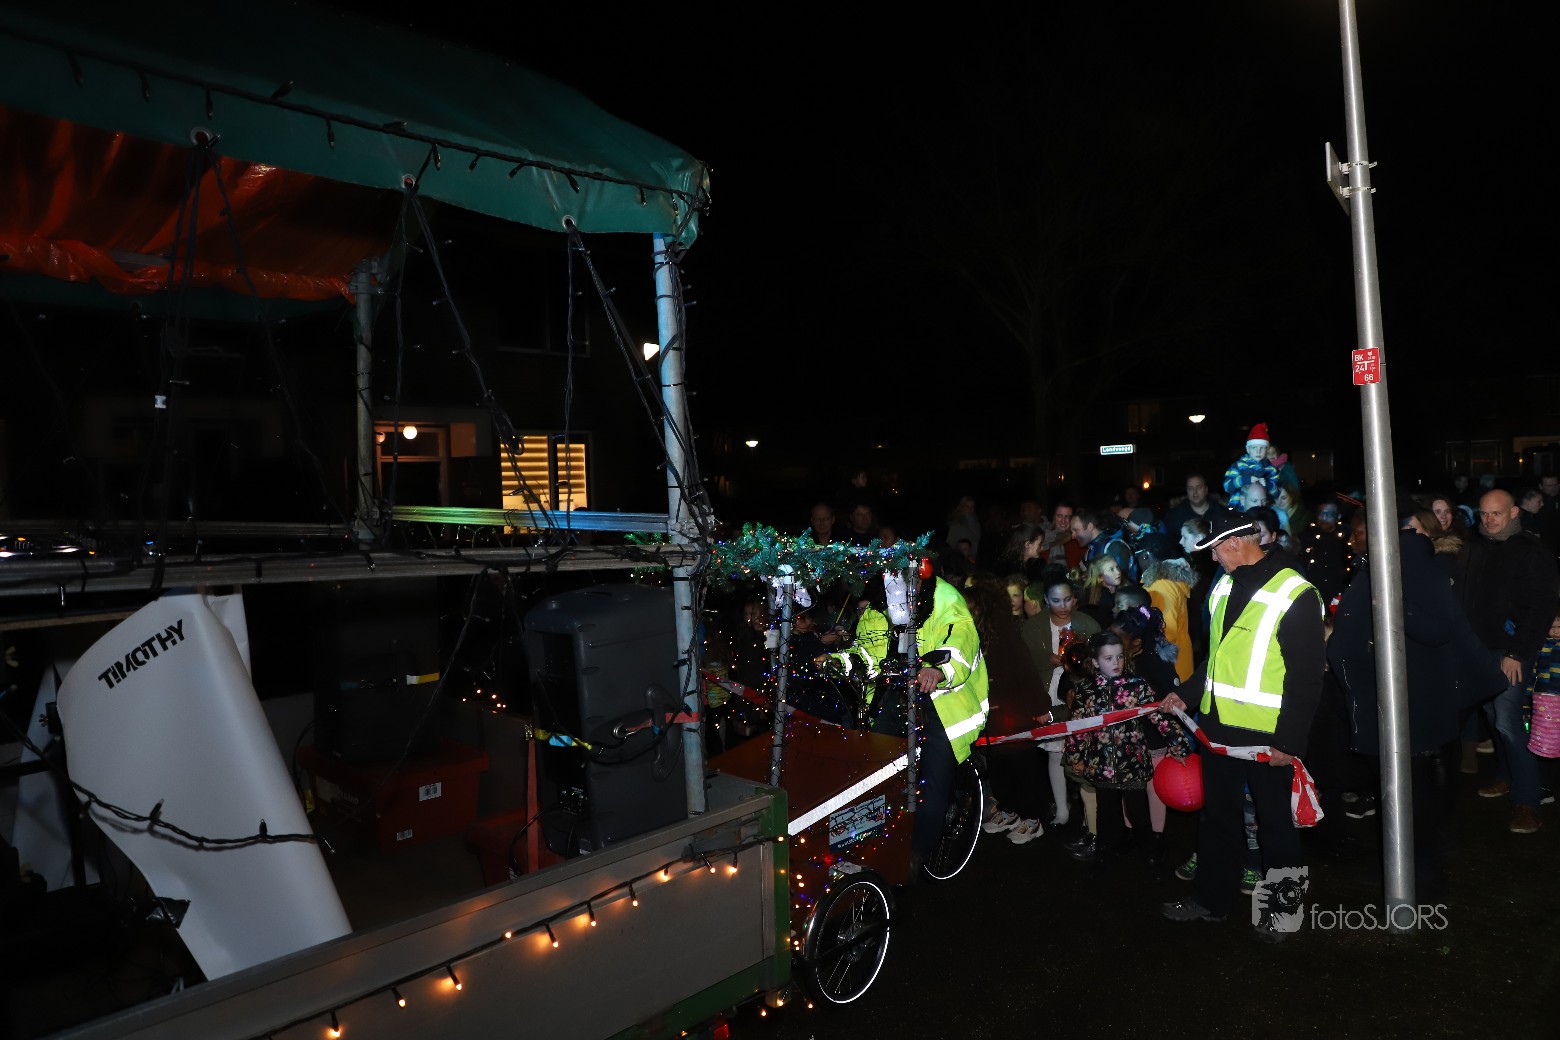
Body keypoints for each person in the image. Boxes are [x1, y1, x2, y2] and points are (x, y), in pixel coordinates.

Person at [1327, 503, 1508, 900]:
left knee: (1413, 791)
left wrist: (1391, 604)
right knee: (1397, 790)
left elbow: (1439, 629)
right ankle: (1400, 863)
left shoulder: (1414, 567)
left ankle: (1419, 871)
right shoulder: (1379, 566)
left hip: (1409, 702)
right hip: (1383, 698)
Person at [1161, 509, 1326, 943]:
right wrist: (1188, 694)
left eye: (1215, 549)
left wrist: (1290, 741)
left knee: (1276, 826)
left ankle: (1283, 914)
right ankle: (1210, 900)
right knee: (1217, 819)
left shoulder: (1294, 591)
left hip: (1267, 736)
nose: (1213, 558)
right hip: (1216, 727)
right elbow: (1216, 656)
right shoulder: (1223, 586)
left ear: (1235, 543)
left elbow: (1307, 677)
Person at [828, 570, 989, 867]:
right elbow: (868, 649)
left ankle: (917, 852)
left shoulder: (944, 597)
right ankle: (864, 841)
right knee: (872, 765)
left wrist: (937, 669)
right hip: (897, 691)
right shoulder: (880, 603)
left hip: (945, 698)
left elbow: (961, 639)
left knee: (934, 772)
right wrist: (840, 661)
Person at [1453, 488, 1559, 834]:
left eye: (1496, 513)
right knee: (1492, 715)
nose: (1489, 520)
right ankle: (1505, 774)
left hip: (1510, 650)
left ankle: (1527, 800)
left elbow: (1540, 607)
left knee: (1508, 721)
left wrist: (1516, 653)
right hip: (1479, 651)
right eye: (1484, 513)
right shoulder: (1475, 547)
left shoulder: (1531, 551)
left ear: (1514, 512)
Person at [1062, 631, 1187, 876]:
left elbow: (1158, 716)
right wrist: (1076, 757)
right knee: (1106, 814)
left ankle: (1151, 857)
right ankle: (1104, 857)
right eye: (1108, 658)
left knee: (1139, 813)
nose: (1116, 663)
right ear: (1095, 661)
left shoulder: (1137, 686)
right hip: (1100, 763)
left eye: (1119, 656)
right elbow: (1077, 727)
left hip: (1133, 762)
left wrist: (1178, 744)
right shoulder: (1086, 690)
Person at [964, 576, 1052, 845]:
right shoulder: (973, 634)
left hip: (1016, 713)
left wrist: (1039, 706)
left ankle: (1032, 817)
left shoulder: (1003, 633)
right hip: (992, 715)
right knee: (1000, 765)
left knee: (1023, 766)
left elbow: (1026, 669)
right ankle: (1010, 808)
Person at [1021, 576, 1101, 832]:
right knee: (1055, 753)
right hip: (1048, 693)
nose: (1063, 606)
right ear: (1046, 600)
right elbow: (1026, 661)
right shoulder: (1034, 627)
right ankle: (1062, 808)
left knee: (1085, 752)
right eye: (1056, 601)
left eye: (1067, 599)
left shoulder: (1088, 624)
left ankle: (1090, 814)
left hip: (1078, 694)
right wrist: (1049, 659)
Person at [1222, 423, 1280, 502]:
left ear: (1267, 450)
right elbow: (1227, 487)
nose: (1258, 451)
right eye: (1254, 447)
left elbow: (1277, 494)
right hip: (1237, 507)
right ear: (1248, 449)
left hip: (1261, 507)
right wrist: (1244, 480)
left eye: (1262, 448)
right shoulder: (1238, 466)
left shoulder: (1272, 469)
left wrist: (1269, 484)